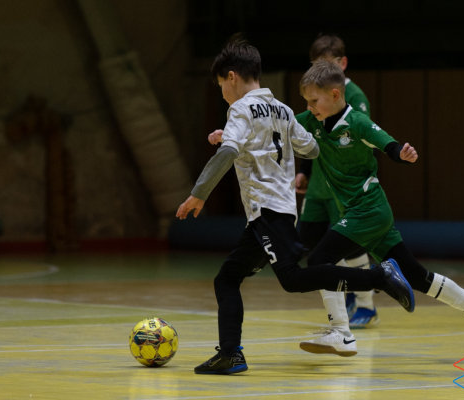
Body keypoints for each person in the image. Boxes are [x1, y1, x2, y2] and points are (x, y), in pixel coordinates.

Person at [176, 35, 415, 375]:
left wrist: (199, 193)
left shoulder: (239, 109)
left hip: (266, 210)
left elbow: (229, 152)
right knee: (226, 278)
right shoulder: (283, 109)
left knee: (291, 278)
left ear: (231, 77)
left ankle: (380, 276)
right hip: (277, 210)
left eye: (221, 86)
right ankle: (230, 353)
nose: (223, 93)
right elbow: (311, 149)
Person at [294, 59, 464, 357]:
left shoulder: (357, 122)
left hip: (368, 210)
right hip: (363, 215)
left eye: (313, 101)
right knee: (418, 277)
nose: (309, 107)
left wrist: (402, 153)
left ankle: (341, 333)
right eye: (306, 102)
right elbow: (281, 123)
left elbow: (388, 145)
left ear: (334, 95)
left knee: (319, 259)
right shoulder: (313, 121)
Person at [295, 34, 378, 332]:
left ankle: (366, 304)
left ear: (342, 64)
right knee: (310, 241)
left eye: (326, 65)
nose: (318, 72)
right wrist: (304, 170)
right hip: (319, 185)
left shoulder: (354, 96)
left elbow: (363, 141)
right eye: (314, 66)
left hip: (343, 187)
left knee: (349, 245)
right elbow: (312, 134)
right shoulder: (315, 95)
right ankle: (347, 292)